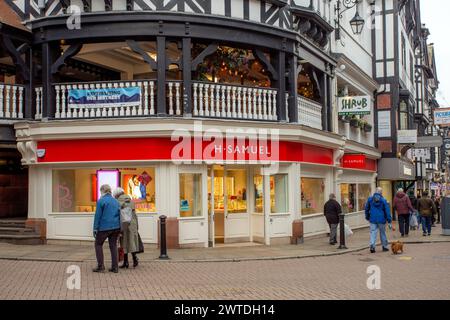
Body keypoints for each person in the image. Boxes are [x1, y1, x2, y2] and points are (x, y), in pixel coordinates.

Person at [93, 184, 121, 273]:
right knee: (113, 246)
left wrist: (95, 228)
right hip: (116, 227)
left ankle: (101, 266)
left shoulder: (101, 201)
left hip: (104, 227)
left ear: (102, 191)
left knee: (98, 244)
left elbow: (98, 216)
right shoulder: (116, 201)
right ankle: (115, 267)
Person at [113, 187, 143, 269]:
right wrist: (137, 226)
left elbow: (117, 214)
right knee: (131, 241)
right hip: (132, 223)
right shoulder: (131, 200)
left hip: (123, 224)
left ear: (116, 195)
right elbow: (135, 215)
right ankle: (134, 259)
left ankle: (125, 262)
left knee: (124, 242)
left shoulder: (117, 202)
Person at [365, 187, 392, 254]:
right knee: (382, 233)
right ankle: (384, 246)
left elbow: (366, 209)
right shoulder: (383, 200)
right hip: (381, 219)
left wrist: (367, 216)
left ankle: (372, 246)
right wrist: (389, 220)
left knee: (373, 232)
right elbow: (387, 211)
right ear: (381, 193)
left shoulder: (370, 199)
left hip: (373, 219)